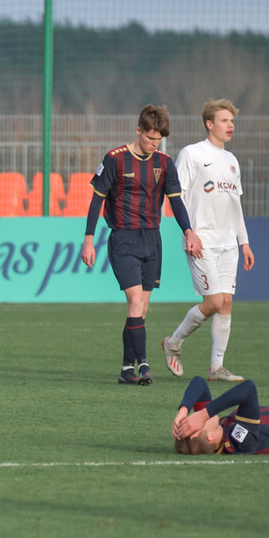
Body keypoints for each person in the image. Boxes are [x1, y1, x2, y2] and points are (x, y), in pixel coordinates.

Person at [80, 104, 204, 386]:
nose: (153, 144)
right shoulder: (115, 159)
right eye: (150, 138)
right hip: (123, 238)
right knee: (135, 301)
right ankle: (145, 365)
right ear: (138, 131)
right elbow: (97, 199)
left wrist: (189, 231)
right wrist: (89, 239)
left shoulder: (164, 162)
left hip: (152, 239)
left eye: (158, 139)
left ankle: (126, 369)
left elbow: (175, 201)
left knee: (140, 309)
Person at [162, 99, 255, 382]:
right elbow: (177, 197)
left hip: (229, 244)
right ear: (209, 123)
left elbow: (235, 206)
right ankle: (173, 342)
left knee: (225, 303)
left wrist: (244, 242)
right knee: (213, 302)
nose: (231, 126)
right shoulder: (191, 154)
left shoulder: (232, 161)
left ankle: (216, 368)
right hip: (201, 241)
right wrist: (189, 232)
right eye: (225, 121)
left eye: (232, 121)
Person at [171, 376, 269, 455]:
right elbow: (248, 389)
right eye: (197, 424)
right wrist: (204, 415)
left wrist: (183, 410)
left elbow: (199, 382)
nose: (196, 417)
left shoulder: (216, 426)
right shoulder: (240, 443)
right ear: (211, 436)